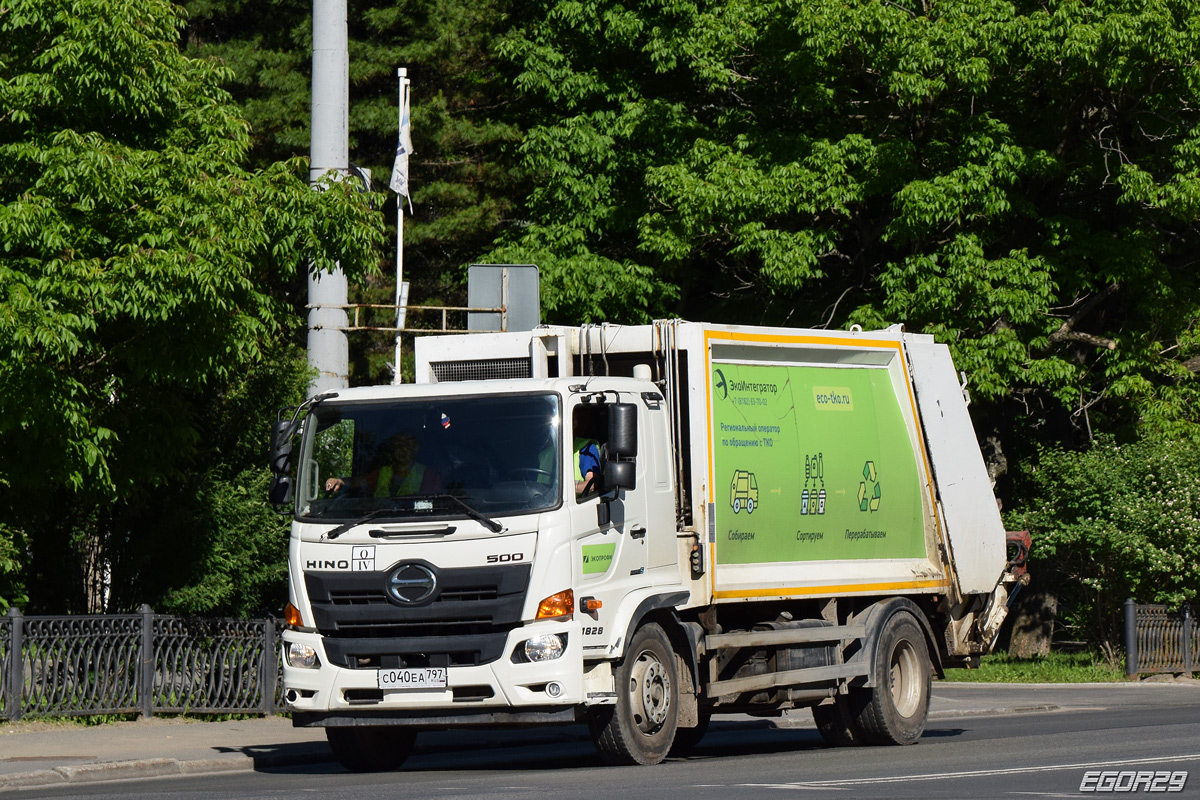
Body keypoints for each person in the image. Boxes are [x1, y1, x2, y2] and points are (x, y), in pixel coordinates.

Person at [325, 433, 442, 497]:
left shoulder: (429, 475)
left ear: (415, 449)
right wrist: (339, 481)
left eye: (407, 446)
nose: (403, 450)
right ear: (393, 450)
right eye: (399, 446)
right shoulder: (384, 472)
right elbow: (359, 482)